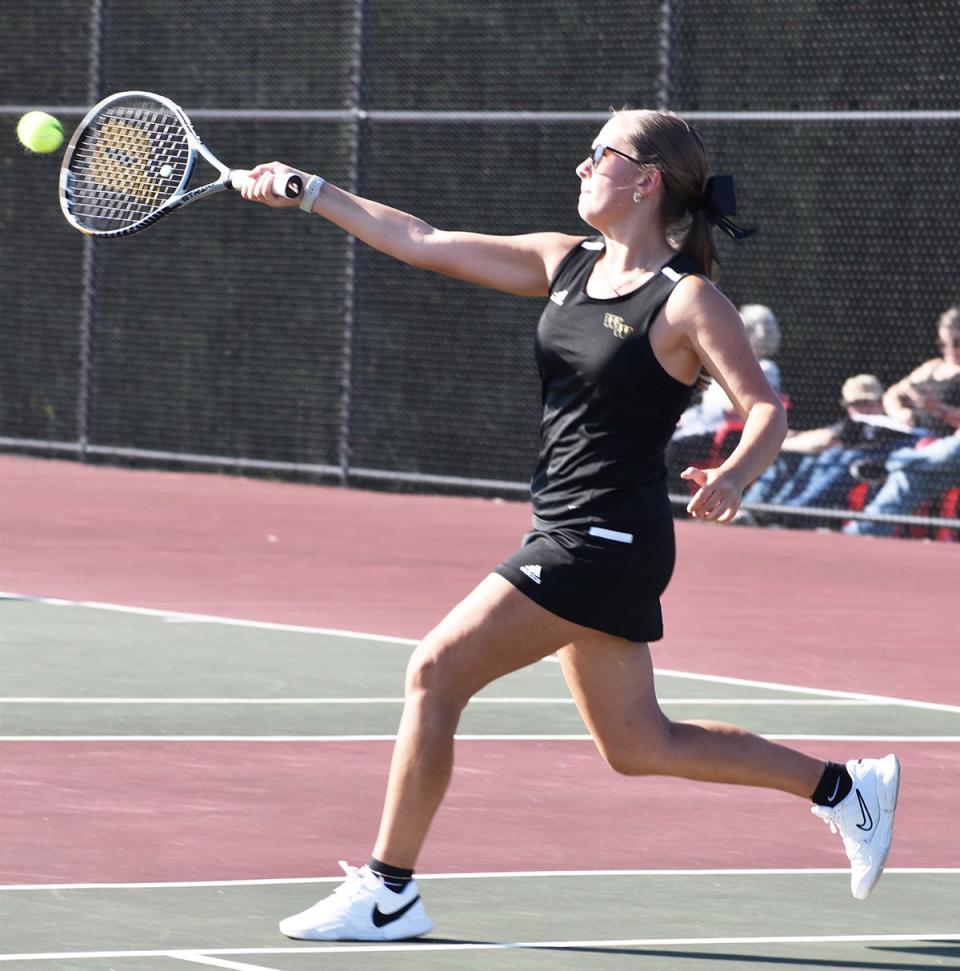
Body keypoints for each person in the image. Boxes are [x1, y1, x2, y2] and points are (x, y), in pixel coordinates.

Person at [240, 108, 900, 942]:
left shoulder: (687, 299)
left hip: (602, 539)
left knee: (436, 670)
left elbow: (764, 406)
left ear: (646, 179)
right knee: (639, 743)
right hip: (571, 526)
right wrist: (311, 193)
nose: (582, 165)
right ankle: (847, 789)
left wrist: (735, 474)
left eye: (601, 153)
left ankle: (388, 889)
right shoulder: (564, 263)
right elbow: (422, 238)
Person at [845, 307, 960, 537]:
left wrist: (938, 409)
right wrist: (900, 413)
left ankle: (888, 464)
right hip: (921, 450)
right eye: (943, 344)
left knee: (947, 451)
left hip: (946, 447)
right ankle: (859, 533)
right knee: (911, 476)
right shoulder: (931, 367)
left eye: (957, 343)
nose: (950, 350)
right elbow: (893, 394)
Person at [745, 374, 918, 518]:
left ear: (880, 403)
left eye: (866, 402)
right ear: (848, 407)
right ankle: (756, 508)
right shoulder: (856, 425)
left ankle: (785, 513)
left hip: (870, 470)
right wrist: (787, 439)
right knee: (802, 457)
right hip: (845, 468)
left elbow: (821, 441)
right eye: (855, 404)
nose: (861, 409)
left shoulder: (882, 425)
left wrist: (775, 444)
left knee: (829, 456)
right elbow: (823, 436)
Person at [666, 303, 783, 491]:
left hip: (724, 432)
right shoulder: (731, 361)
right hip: (703, 422)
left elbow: (736, 406)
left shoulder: (766, 368)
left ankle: (676, 505)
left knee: (672, 448)